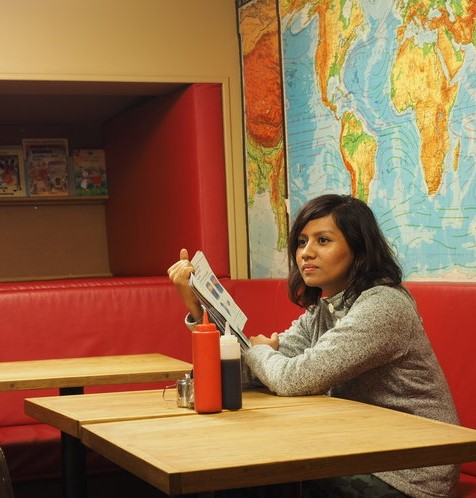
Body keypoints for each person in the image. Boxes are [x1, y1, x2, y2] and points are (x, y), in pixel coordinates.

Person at [167, 194, 460, 498]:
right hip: (357, 450)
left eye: (323, 240)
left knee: (252, 476)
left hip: (410, 473)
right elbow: (247, 375)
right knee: (229, 472)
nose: (306, 253)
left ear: (359, 251)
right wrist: (199, 309)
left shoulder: (383, 306)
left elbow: (292, 378)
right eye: (302, 242)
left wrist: (260, 352)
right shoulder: (323, 311)